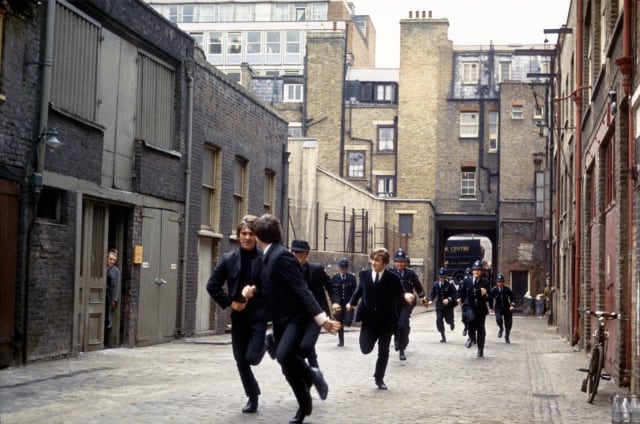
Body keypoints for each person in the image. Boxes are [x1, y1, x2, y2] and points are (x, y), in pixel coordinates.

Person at [248, 214, 340, 424]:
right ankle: (305, 404)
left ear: (259, 235)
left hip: (297, 317)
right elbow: (267, 288)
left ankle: (312, 374)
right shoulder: (266, 257)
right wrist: (251, 289)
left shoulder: (282, 256)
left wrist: (321, 319)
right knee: (287, 367)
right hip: (280, 320)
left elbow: (301, 289)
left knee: (283, 355)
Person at [206, 215, 266, 414]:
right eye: (244, 234)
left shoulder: (264, 259)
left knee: (251, 358)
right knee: (241, 360)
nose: (247, 237)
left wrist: (254, 290)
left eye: (251, 234)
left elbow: (271, 285)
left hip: (258, 316)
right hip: (238, 318)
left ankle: (267, 343)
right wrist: (230, 302)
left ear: (256, 236)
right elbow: (212, 285)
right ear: (238, 235)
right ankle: (252, 397)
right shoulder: (228, 259)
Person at [346, 248, 410, 390]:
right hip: (369, 320)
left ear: (384, 263)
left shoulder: (393, 279)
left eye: (377, 260)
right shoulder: (364, 275)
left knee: (384, 350)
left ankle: (379, 378)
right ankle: (370, 342)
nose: (373, 263)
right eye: (372, 259)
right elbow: (358, 292)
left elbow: (400, 296)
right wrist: (351, 304)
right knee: (365, 348)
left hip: (386, 321)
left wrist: (407, 297)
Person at [290, 239, 332, 368]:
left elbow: (330, 285)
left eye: (301, 253)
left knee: (306, 345)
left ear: (307, 254)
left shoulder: (316, 270)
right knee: (301, 347)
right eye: (295, 253)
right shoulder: (287, 271)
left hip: (316, 316)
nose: (298, 256)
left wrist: (335, 302)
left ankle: (308, 373)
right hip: (296, 317)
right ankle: (315, 372)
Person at [390, 248, 427, 360]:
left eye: (402, 261)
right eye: (398, 261)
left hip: (407, 304)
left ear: (405, 262)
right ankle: (399, 339)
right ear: (395, 262)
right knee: (396, 325)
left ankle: (402, 349)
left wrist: (422, 298)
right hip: (394, 304)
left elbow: (418, 287)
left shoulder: (411, 273)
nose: (400, 264)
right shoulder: (390, 273)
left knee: (402, 324)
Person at [456, 260, 491, 358]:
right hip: (469, 306)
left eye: (479, 270)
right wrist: (459, 298)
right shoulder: (467, 281)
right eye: (475, 270)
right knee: (471, 319)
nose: (476, 272)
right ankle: (471, 337)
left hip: (481, 308)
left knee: (481, 329)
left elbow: (491, 297)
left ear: (482, 271)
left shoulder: (485, 282)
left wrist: (485, 295)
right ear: (472, 271)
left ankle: (480, 349)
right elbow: (461, 292)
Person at [330, 258, 357, 347]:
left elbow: (355, 292)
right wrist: (334, 303)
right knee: (339, 321)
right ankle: (341, 341)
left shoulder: (352, 278)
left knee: (348, 320)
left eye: (345, 268)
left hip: (348, 303)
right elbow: (332, 292)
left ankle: (348, 321)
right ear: (339, 268)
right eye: (342, 268)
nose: (343, 270)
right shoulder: (335, 278)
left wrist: (353, 303)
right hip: (338, 303)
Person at [427, 267, 457, 343]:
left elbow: (455, 294)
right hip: (439, 305)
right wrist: (430, 300)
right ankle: (443, 335)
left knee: (448, 320)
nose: (441, 278)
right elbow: (432, 294)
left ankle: (451, 323)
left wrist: (449, 299)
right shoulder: (435, 285)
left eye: (443, 277)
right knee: (439, 319)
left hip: (448, 306)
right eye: (440, 277)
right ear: (438, 277)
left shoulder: (449, 284)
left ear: (445, 277)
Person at [490, 273, 515, 343]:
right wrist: (491, 307)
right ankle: (501, 328)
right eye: (498, 282)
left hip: (507, 308)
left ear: (503, 282)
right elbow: (490, 298)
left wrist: (512, 305)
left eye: (501, 282)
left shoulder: (507, 289)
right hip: (498, 308)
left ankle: (507, 337)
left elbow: (512, 298)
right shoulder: (494, 290)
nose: (500, 283)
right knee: (498, 319)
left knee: (508, 324)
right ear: (496, 282)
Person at [104, 248, 121, 347]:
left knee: (107, 317)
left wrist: (114, 299)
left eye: (114, 260)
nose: (112, 261)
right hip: (101, 295)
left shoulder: (116, 271)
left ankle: (107, 341)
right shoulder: (103, 268)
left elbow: (117, 286)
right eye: (110, 259)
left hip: (109, 296)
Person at [460, 267, 472, 337]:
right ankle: (466, 327)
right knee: (464, 318)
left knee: (472, 319)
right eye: (467, 275)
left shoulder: (473, 282)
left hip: (472, 303)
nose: (468, 277)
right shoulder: (462, 282)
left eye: (469, 275)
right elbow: (459, 292)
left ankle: (472, 337)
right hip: (465, 303)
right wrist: (459, 299)